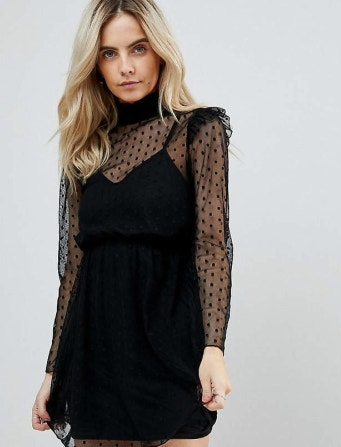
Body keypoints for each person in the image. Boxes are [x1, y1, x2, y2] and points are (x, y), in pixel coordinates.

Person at [32, 0, 233, 446]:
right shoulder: (86, 149)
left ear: (160, 51)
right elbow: (74, 270)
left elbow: (212, 246)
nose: (126, 66)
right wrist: (53, 371)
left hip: (170, 352)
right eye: (109, 53)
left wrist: (213, 349)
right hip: (95, 360)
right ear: (94, 65)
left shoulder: (196, 131)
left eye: (138, 48)